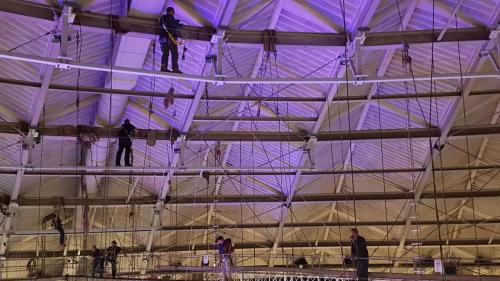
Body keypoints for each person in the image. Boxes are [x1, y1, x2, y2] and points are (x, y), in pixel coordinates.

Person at [159, 7, 183, 73]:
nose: (173, 14)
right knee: (174, 53)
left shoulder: (162, 18)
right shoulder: (170, 17)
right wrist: (180, 25)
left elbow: (166, 24)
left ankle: (163, 67)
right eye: (173, 12)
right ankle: (175, 68)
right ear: (171, 11)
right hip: (170, 37)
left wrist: (175, 21)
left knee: (165, 53)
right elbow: (176, 26)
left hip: (162, 38)